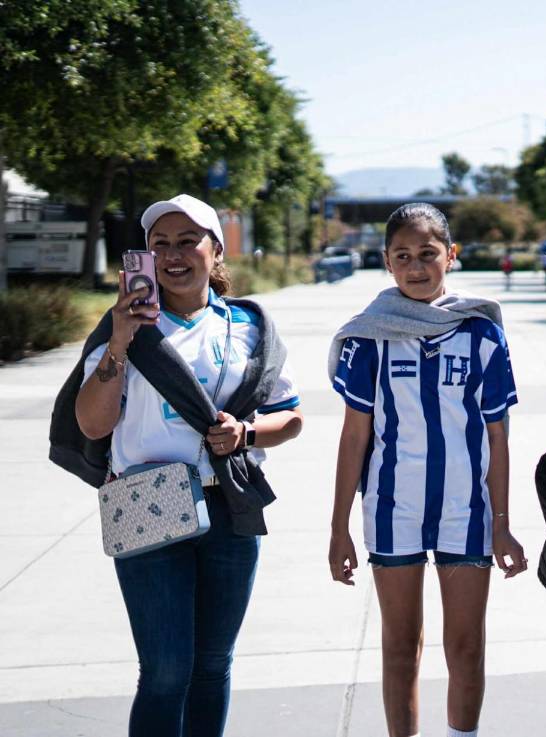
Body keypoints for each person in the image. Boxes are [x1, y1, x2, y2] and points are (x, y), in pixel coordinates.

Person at [65, 194, 304, 737]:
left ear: (215, 250)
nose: (173, 255)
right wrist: (120, 344)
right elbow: (93, 425)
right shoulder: (120, 327)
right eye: (159, 244)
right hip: (150, 504)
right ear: (145, 257)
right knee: (166, 670)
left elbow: (289, 418)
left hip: (231, 507)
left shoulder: (248, 326)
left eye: (187, 241)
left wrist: (244, 433)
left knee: (212, 665)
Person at [327, 203, 526, 737]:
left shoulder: (481, 334)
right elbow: (354, 436)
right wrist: (338, 526)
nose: (417, 267)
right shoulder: (370, 336)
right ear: (388, 264)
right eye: (403, 256)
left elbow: (497, 436)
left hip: (466, 509)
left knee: (465, 647)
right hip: (394, 508)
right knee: (399, 645)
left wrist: (502, 522)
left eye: (428, 254)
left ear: (451, 256)